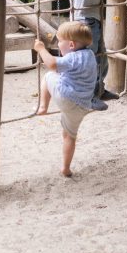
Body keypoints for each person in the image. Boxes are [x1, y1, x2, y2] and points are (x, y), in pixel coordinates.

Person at [34, 21, 100, 178]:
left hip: (67, 98)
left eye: (59, 41)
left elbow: (51, 64)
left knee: (49, 76)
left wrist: (41, 49)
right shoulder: (90, 55)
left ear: (71, 45)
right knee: (69, 136)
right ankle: (65, 168)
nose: (58, 45)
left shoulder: (72, 59)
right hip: (83, 105)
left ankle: (43, 107)